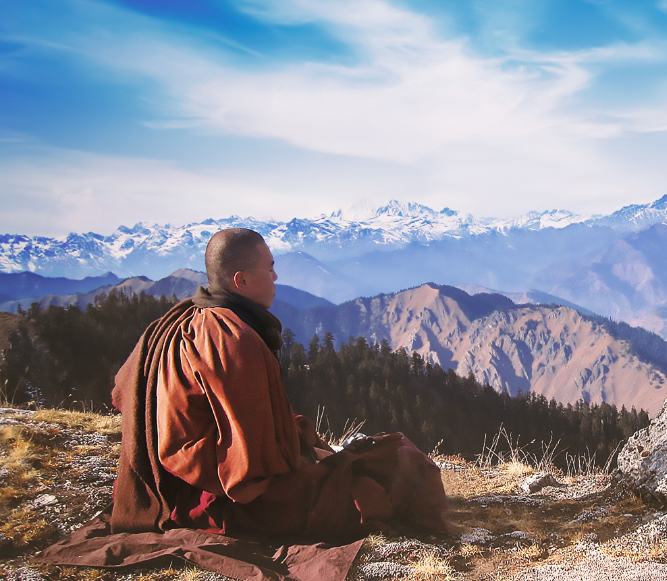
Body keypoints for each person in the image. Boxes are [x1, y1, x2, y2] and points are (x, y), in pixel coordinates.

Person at [109, 227, 449, 538]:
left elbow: (123, 391)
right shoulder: (232, 341)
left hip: (177, 485)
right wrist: (314, 462)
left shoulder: (181, 320)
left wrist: (305, 446)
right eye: (269, 268)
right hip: (224, 499)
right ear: (240, 281)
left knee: (371, 457)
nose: (275, 276)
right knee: (394, 469)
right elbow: (251, 468)